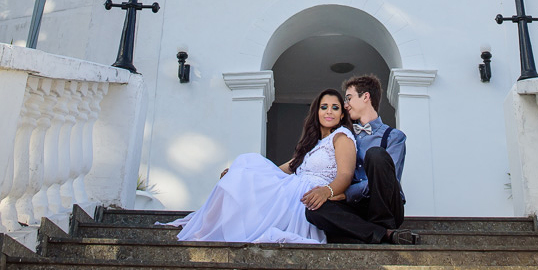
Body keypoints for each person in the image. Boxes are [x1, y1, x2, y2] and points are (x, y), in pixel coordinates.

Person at [167, 88, 357, 244]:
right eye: (324, 107)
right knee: (248, 163)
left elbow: (346, 175)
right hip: (292, 188)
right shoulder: (313, 144)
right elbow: (284, 168)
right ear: (317, 112)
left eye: (335, 107)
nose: (329, 111)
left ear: (342, 115)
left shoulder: (341, 137)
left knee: (250, 168)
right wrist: (238, 173)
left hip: (311, 195)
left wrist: (326, 192)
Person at [305, 74, 418, 245]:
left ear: (366, 97)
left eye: (349, 98)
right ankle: (383, 235)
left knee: (376, 154)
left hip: (385, 207)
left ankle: (376, 228)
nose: (345, 105)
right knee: (313, 211)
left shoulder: (394, 136)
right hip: (357, 208)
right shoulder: (345, 136)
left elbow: (389, 180)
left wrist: (345, 193)